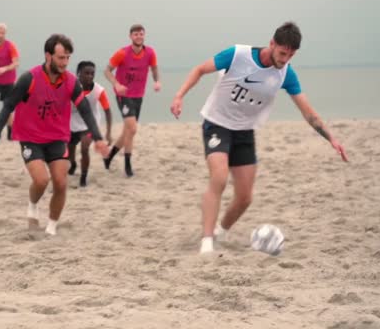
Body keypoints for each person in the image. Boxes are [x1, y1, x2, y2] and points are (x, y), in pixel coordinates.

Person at [170, 22, 349, 254]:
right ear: (272, 44)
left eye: (291, 55)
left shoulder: (286, 74)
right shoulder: (237, 55)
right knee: (220, 177)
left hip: (245, 132)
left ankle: (220, 232)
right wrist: (179, 96)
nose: (285, 59)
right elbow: (200, 70)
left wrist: (331, 139)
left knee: (245, 198)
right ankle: (206, 241)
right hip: (217, 124)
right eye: (283, 53)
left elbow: (307, 112)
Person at [0, 34, 109, 237]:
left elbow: (85, 110)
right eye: (61, 58)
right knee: (41, 181)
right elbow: (8, 106)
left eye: (68, 57)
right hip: (30, 137)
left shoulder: (70, 82)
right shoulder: (29, 79)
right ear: (48, 56)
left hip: (57, 137)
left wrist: (99, 138)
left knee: (60, 182)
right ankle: (32, 206)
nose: (65, 63)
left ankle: (51, 225)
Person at [103, 24, 161, 177]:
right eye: (136, 34)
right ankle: (128, 165)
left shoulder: (150, 52)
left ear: (144, 35)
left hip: (138, 95)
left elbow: (154, 69)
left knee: (127, 131)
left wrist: (156, 81)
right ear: (130, 36)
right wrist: (116, 84)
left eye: (141, 34)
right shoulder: (122, 53)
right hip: (124, 95)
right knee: (133, 129)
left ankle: (109, 156)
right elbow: (107, 70)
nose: (139, 37)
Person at [68, 61, 113, 187]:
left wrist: (108, 133)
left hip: (89, 125)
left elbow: (108, 111)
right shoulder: (70, 88)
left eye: (92, 74)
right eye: (86, 73)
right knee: (69, 151)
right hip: (72, 124)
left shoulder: (98, 90)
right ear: (78, 74)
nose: (89, 76)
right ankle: (73, 164)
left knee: (84, 147)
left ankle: (83, 177)